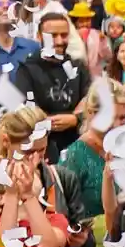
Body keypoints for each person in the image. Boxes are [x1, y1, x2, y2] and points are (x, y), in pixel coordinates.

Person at [15, 10, 86, 164]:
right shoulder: (26, 69)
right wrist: (47, 122)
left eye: (64, 35)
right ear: (39, 37)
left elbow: (89, 100)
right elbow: (24, 109)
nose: (60, 41)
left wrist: (75, 119)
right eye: (53, 36)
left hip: (77, 146)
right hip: (41, 151)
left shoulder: (78, 67)